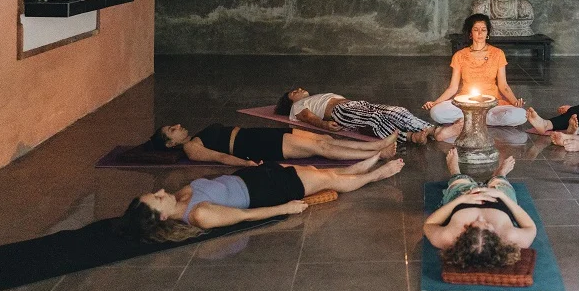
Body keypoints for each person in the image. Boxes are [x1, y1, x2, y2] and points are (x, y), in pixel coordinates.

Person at [117, 156, 405, 242]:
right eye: (157, 198)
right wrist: (285, 208)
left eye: (155, 192)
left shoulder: (180, 196)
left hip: (254, 177)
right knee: (329, 181)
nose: (161, 192)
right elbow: (245, 216)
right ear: (163, 217)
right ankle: (373, 176)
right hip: (266, 193)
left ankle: (355, 170)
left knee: (321, 172)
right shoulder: (199, 214)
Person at [423, 149, 536, 268]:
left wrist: (460, 200)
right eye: (487, 225)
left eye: (472, 225)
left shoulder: (449, 237)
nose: (481, 218)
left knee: (459, 182)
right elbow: (531, 227)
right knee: (500, 183)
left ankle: (455, 171)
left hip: (464, 198)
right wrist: (501, 196)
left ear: (463, 236)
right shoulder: (510, 238)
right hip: (500, 201)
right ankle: (501, 174)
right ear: (498, 240)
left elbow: (429, 224)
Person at [423, 14, 527, 127]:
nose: (480, 33)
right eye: (476, 29)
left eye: (483, 30)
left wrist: (515, 102)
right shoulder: (460, 55)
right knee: (436, 112)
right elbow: (452, 88)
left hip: (491, 104)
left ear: (488, 33)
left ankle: (473, 120)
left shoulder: (498, 53)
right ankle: (480, 119)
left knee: (521, 114)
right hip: (466, 104)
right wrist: (435, 103)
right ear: (470, 33)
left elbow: (503, 85)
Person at [148, 123, 398, 165]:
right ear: (170, 144)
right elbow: (221, 158)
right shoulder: (191, 148)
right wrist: (247, 164)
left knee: (326, 139)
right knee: (320, 148)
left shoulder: (194, 138)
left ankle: (377, 146)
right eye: (173, 130)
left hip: (257, 134)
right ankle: (377, 150)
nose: (178, 126)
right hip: (255, 146)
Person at [276, 89, 463, 144]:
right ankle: (410, 137)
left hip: (355, 105)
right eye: (294, 92)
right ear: (290, 101)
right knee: (375, 119)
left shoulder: (312, 97)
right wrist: (324, 126)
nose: (299, 90)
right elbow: (308, 118)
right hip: (340, 112)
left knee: (396, 111)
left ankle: (434, 131)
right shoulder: (297, 107)